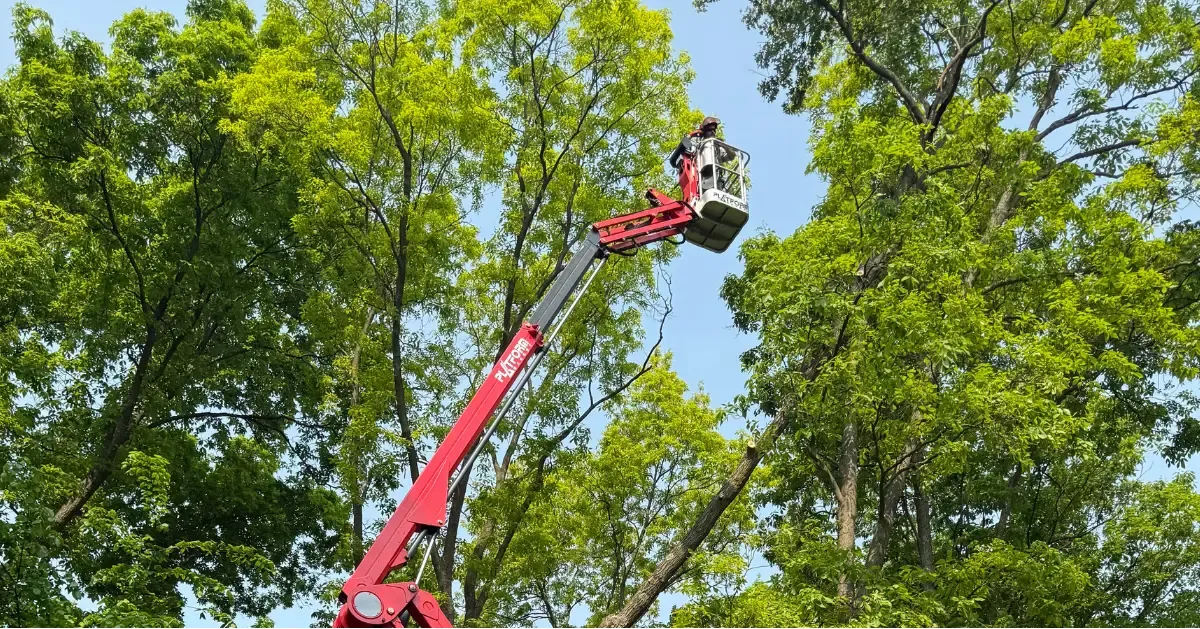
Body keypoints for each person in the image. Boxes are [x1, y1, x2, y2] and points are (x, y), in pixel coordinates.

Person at [668, 116, 732, 191]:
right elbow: (675, 157)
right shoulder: (696, 147)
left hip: (718, 183)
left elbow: (732, 156)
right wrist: (691, 135)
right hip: (701, 184)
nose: (712, 132)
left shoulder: (717, 148)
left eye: (714, 130)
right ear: (703, 131)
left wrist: (724, 145)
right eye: (710, 130)